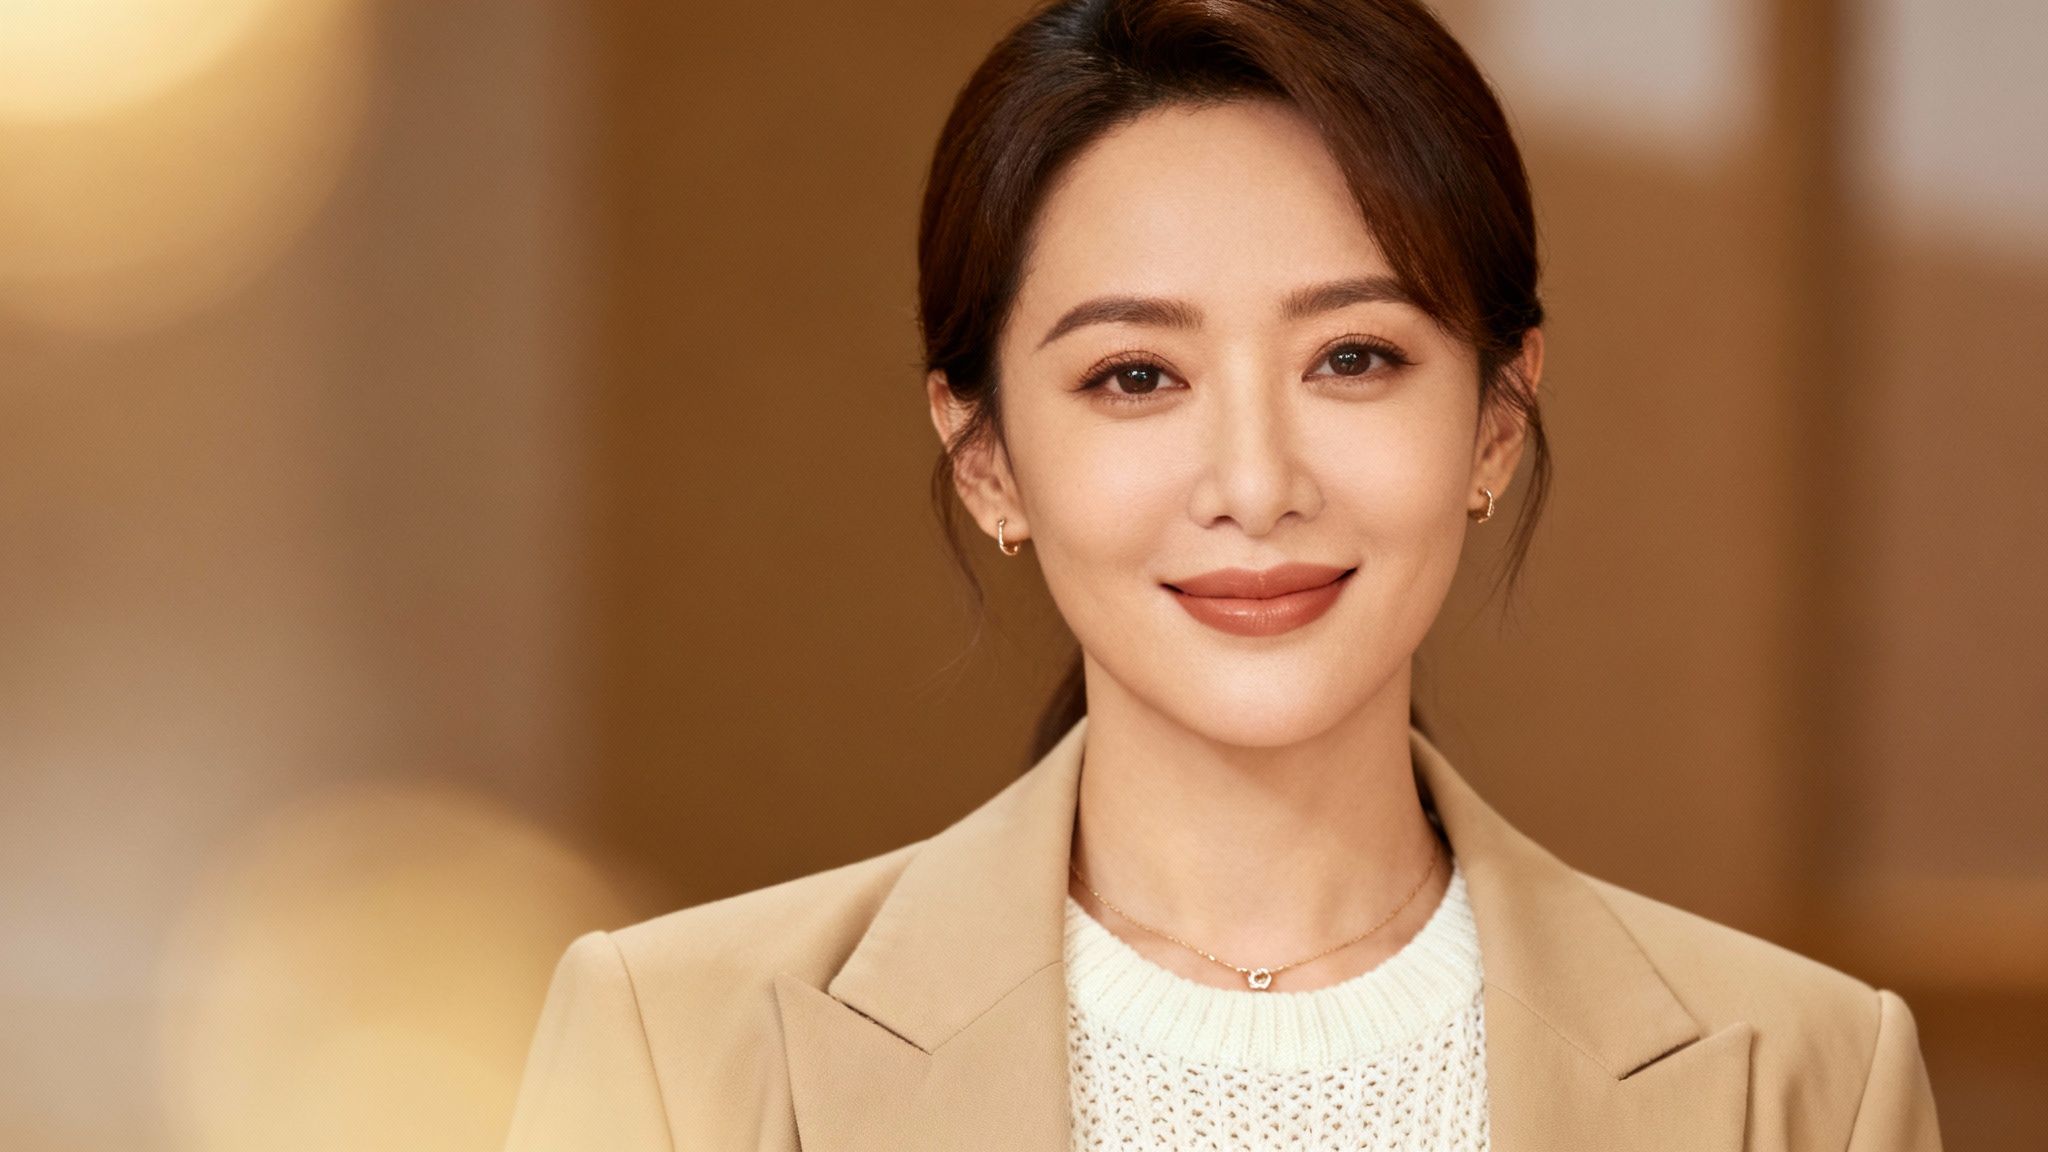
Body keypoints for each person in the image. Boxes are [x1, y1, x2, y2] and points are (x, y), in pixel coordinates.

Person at [502, 1, 1944, 1148]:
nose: (1255, 484)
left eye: (1355, 358)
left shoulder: (1802, 1080)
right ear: (988, 456)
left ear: (1497, 421)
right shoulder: (678, 1048)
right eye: (1136, 375)